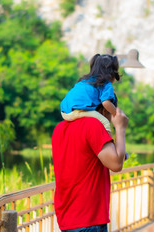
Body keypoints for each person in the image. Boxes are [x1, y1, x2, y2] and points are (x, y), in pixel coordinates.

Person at [52, 97, 129, 232]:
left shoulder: (59, 128)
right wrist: (120, 128)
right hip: (89, 220)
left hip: (66, 218)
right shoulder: (93, 125)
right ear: (105, 111)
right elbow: (117, 165)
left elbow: (85, 159)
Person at [60, 54, 120, 133]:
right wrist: (116, 114)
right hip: (79, 111)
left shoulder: (85, 80)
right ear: (112, 73)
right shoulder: (106, 84)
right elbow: (106, 102)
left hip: (64, 112)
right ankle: (109, 144)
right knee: (105, 123)